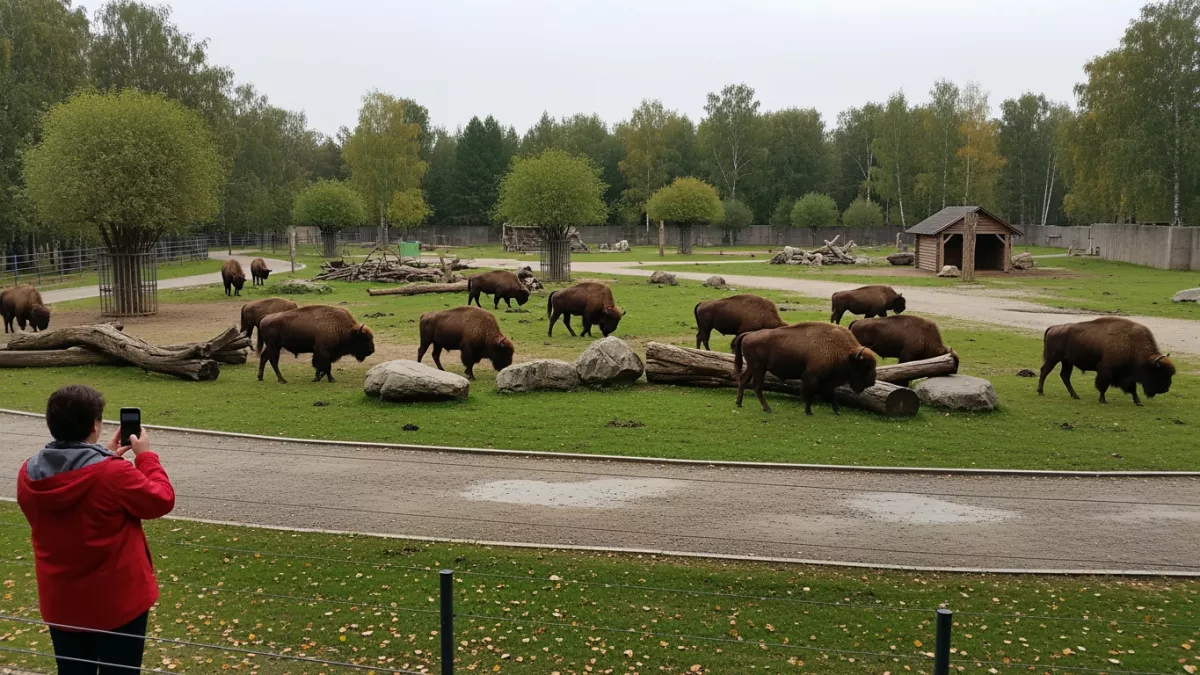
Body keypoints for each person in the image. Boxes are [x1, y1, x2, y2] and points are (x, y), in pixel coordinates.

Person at [16, 385, 175, 674]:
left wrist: (102, 455)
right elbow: (161, 500)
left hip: (63, 605)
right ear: (94, 425)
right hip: (118, 605)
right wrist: (145, 458)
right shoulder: (113, 473)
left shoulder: (29, 473)